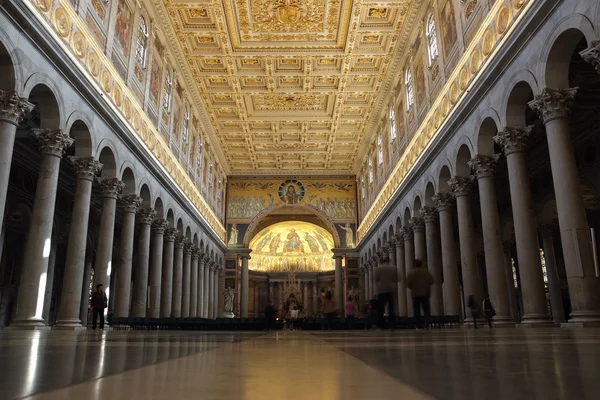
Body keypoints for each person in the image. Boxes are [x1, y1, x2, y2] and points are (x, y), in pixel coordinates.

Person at [406, 259, 434, 329]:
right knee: (426, 308)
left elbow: (408, 284)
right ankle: (427, 322)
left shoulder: (411, 273)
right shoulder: (426, 272)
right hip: (425, 292)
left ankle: (419, 325)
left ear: (414, 264)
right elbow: (431, 281)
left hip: (415, 293)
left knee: (417, 310)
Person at [375, 261, 398, 329]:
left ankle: (381, 325)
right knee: (391, 308)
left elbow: (376, 279)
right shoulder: (392, 268)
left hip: (381, 290)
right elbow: (398, 278)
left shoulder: (379, 269)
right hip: (390, 290)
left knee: (381, 309)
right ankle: (392, 325)